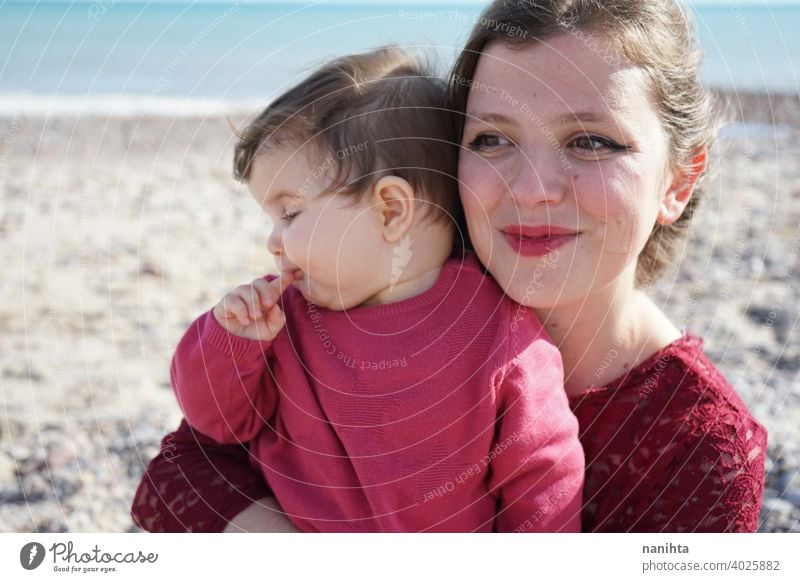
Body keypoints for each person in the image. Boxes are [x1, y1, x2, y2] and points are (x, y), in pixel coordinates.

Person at [132, 0, 767, 533]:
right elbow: (179, 473)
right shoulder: (386, 289)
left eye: (591, 141)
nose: (532, 187)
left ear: (680, 180)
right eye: (492, 139)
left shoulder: (700, 451)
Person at [163, 46, 584, 533]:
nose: (273, 242)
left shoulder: (498, 333)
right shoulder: (288, 322)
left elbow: (544, 473)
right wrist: (231, 339)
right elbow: (216, 422)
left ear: (390, 210)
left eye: (291, 214)